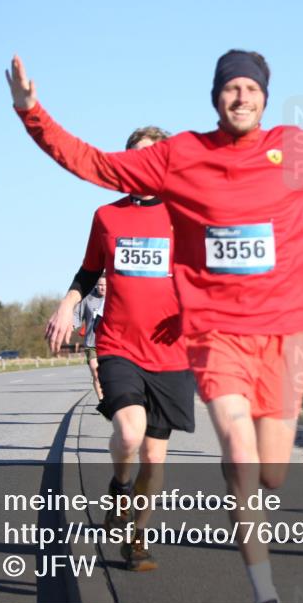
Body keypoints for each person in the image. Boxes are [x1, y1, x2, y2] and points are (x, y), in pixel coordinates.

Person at [10, 50, 303, 603]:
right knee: (238, 450)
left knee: (272, 471)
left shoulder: (293, 149)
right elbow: (94, 164)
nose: (242, 96)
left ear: (265, 98)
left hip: (283, 334)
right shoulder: (180, 156)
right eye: (231, 88)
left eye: (252, 87)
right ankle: (265, 597)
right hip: (214, 333)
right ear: (215, 97)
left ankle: (247, 500)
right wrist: (33, 112)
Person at [44, 126, 195, 572]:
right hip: (119, 345)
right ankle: (118, 486)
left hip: (171, 353)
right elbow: (89, 271)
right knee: (129, 434)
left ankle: (136, 538)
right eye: (131, 159)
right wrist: (66, 305)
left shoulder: (184, 216)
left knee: (154, 457)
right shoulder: (107, 217)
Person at [71, 273, 106, 402]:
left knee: (109, 374)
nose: (102, 288)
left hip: (109, 343)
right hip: (92, 342)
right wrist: (70, 326)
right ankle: (102, 400)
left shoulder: (114, 297)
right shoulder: (88, 298)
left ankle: (110, 395)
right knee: (95, 372)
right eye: (100, 285)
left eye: (105, 285)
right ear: (96, 285)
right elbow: (77, 316)